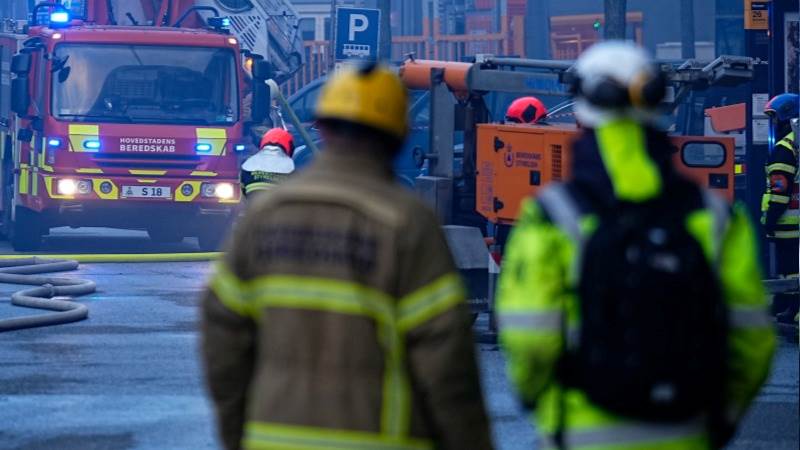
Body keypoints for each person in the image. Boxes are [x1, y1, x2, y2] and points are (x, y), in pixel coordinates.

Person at [497, 41, 775, 450]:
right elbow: (754, 340)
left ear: (582, 104)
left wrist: (542, 402)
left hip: (578, 432)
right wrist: (720, 418)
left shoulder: (551, 216)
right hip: (687, 433)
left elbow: (531, 338)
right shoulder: (715, 217)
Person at [202, 63, 493, 450]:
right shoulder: (407, 223)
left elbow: (224, 342)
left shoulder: (263, 219)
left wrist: (237, 433)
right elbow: (447, 365)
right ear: (398, 136)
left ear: (321, 128)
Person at [761, 93, 799, 323]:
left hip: (788, 222)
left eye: (775, 119)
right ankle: (786, 304)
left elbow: (779, 190)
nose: (774, 124)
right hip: (795, 221)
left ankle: (791, 307)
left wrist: (770, 220)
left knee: (791, 268)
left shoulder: (784, 149)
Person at [240, 128, 295, 198]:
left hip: (253, 200)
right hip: (276, 202)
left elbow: (243, 188)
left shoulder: (248, 162)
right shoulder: (290, 166)